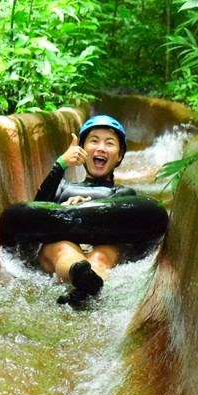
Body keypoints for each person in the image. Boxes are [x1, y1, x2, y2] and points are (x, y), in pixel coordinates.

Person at [35, 115, 136, 307]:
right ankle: (79, 275)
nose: (100, 148)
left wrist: (82, 210)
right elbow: (35, 215)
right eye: (94, 141)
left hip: (100, 248)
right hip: (62, 248)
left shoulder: (123, 194)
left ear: (120, 155)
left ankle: (87, 287)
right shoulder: (62, 189)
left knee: (100, 256)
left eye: (109, 143)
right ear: (82, 150)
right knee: (64, 248)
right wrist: (60, 165)